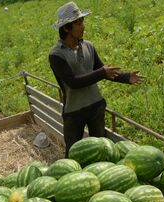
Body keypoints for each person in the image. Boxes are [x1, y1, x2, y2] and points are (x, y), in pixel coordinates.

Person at [48, 1, 145, 157]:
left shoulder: (88, 46)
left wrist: (126, 77)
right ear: (66, 28)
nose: (83, 26)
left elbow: (102, 71)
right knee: (73, 152)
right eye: (78, 23)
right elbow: (73, 82)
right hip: (74, 111)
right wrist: (101, 72)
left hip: (96, 105)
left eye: (82, 21)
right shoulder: (56, 55)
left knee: (101, 149)